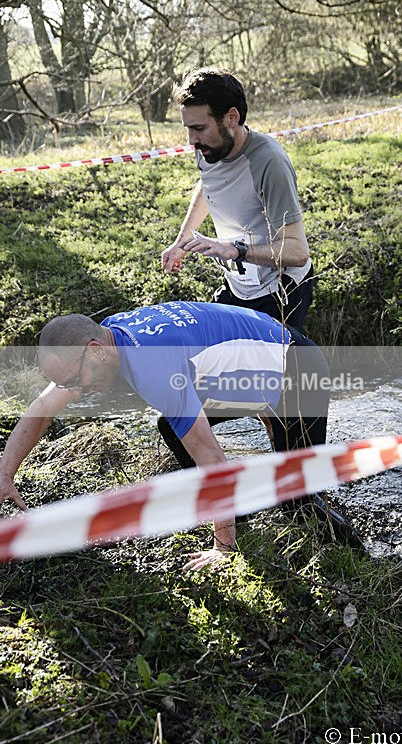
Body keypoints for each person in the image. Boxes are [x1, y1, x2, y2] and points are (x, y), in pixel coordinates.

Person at [0, 302, 365, 569]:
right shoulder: (111, 334)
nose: (73, 392)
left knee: (295, 499)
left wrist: (222, 549)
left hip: (296, 370)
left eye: (72, 381)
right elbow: (44, 406)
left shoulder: (152, 369)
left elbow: (213, 461)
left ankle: (362, 560)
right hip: (258, 360)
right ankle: (236, 513)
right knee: (171, 429)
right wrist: (4, 474)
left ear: (94, 352)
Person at [161, 68, 314, 333]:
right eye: (188, 128)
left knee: (270, 371)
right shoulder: (209, 148)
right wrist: (181, 242)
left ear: (231, 117)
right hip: (238, 286)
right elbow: (209, 186)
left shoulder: (268, 162)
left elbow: (297, 252)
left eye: (199, 128)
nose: (191, 141)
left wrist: (235, 250)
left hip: (280, 290)